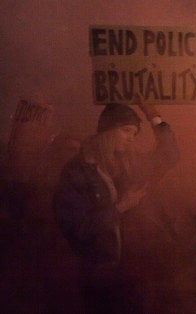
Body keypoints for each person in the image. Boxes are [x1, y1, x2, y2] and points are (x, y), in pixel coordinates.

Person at [53, 97, 179, 313]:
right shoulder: (77, 171)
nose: (131, 138)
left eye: (134, 133)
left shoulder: (130, 164)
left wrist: (154, 116)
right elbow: (77, 228)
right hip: (99, 274)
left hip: (135, 272)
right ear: (108, 130)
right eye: (126, 131)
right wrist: (120, 207)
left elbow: (169, 156)